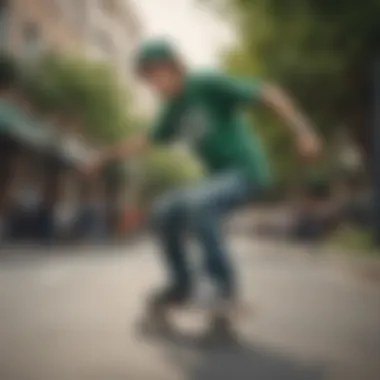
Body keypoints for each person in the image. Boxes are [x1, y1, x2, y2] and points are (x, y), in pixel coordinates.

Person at [84, 40, 322, 329]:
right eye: (148, 78)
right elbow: (145, 141)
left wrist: (303, 131)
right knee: (163, 212)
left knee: (201, 202)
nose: (154, 84)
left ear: (176, 67)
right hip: (217, 180)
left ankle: (224, 291)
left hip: (246, 172)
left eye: (158, 74)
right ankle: (181, 286)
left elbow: (267, 92)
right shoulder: (171, 110)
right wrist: (103, 157)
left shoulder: (205, 84)